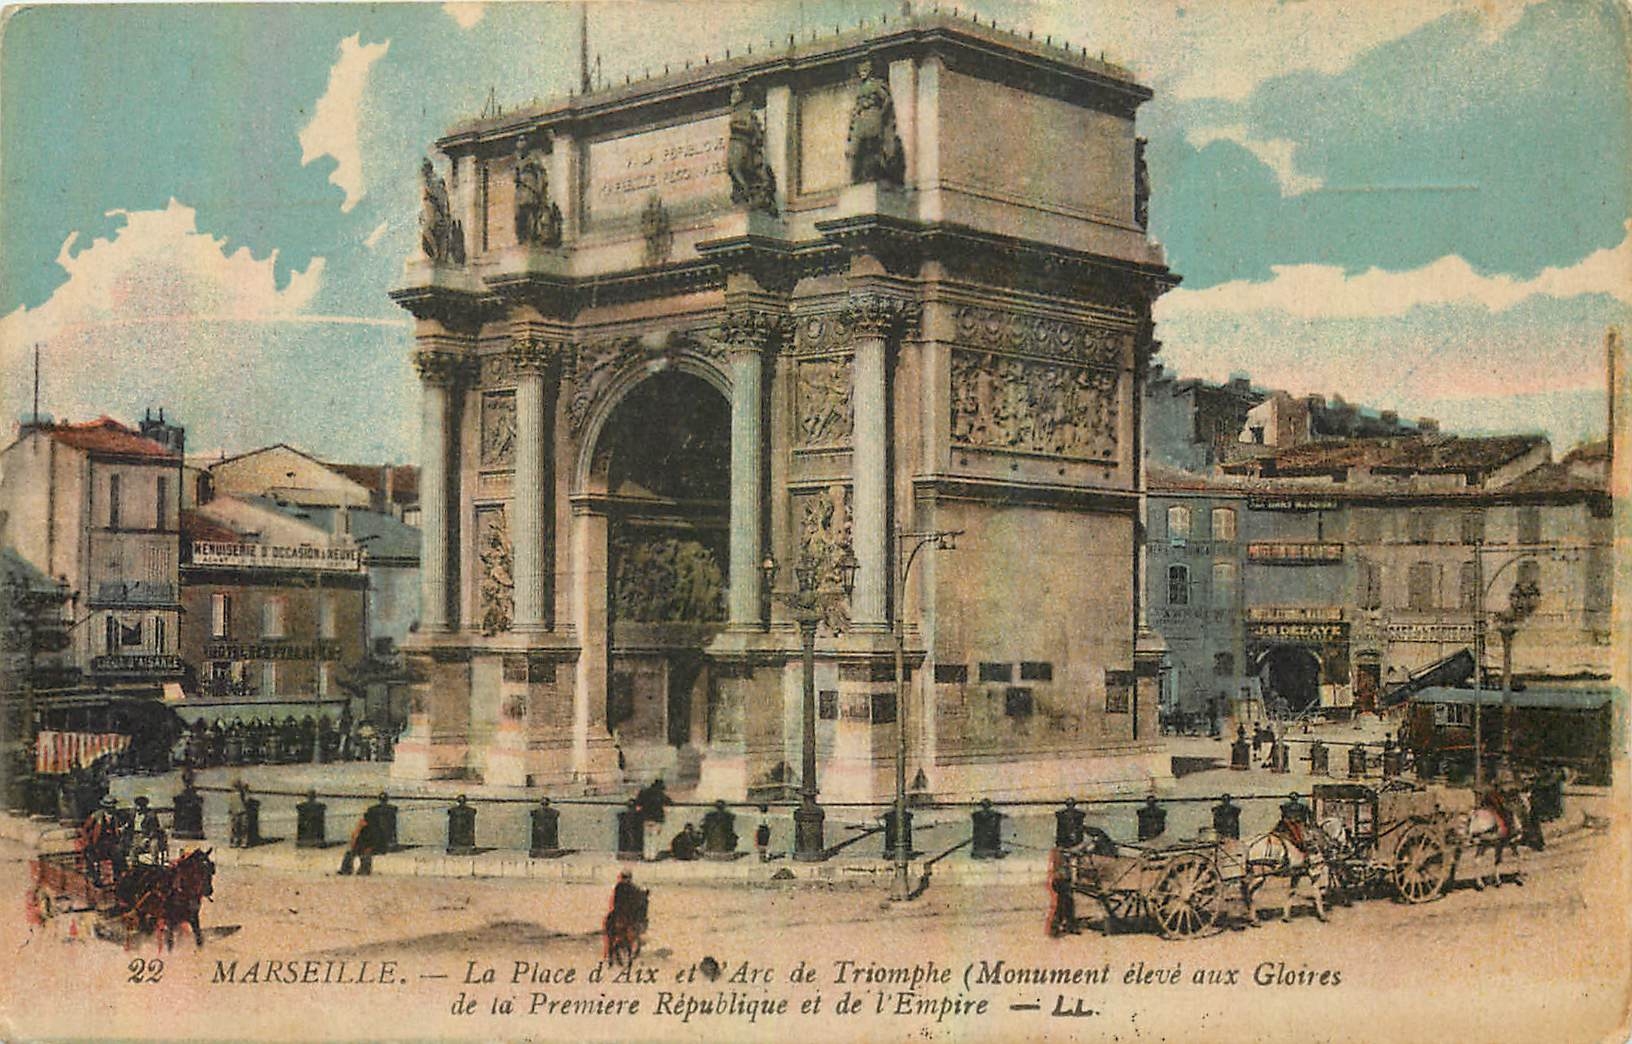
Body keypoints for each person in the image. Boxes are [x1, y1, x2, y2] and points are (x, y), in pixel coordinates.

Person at [81, 795, 124, 886]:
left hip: (110, 842)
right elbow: (85, 828)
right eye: (108, 807)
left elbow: (117, 831)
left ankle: (117, 877)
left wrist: (119, 833)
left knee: (118, 855)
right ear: (104, 807)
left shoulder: (115, 817)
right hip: (97, 842)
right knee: (93, 858)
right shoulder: (97, 815)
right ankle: (96, 879)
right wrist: (88, 840)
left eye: (112, 807)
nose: (110, 809)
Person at [634, 778, 672, 862]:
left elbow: (638, 804)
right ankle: (652, 856)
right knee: (654, 837)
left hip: (646, 818)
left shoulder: (645, 793)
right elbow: (669, 802)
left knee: (646, 837)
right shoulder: (660, 794)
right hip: (657, 819)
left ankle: (646, 855)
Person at [340, 803, 382, 876]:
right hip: (362, 845)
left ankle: (350, 869)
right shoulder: (372, 825)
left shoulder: (367, 825)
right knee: (352, 854)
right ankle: (356, 869)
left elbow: (356, 836)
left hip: (365, 845)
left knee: (358, 854)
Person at [1046, 848, 1078, 936]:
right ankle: (1058, 927)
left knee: (1066, 903)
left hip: (1061, 879)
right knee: (1063, 904)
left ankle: (1066, 926)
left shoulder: (1059, 852)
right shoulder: (1060, 852)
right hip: (1061, 879)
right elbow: (1073, 853)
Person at [129, 795, 166, 866]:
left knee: (154, 845)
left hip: (148, 836)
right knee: (132, 849)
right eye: (136, 805)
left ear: (144, 806)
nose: (137, 808)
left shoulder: (151, 815)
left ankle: (155, 864)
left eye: (139, 806)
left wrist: (147, 838)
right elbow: (129, 825)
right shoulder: (133, 813)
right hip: (136, 836)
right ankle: (135, 865)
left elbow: (154, 829)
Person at [227, 778, 256, 848]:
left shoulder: (242, 793)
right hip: (236, 812)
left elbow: (246, 800)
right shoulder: (233, 794)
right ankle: (236, 841)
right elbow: (231, 804)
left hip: (242, 812)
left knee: (243, 828)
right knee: (235, 828)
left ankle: (243, 841)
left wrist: (246, 791)